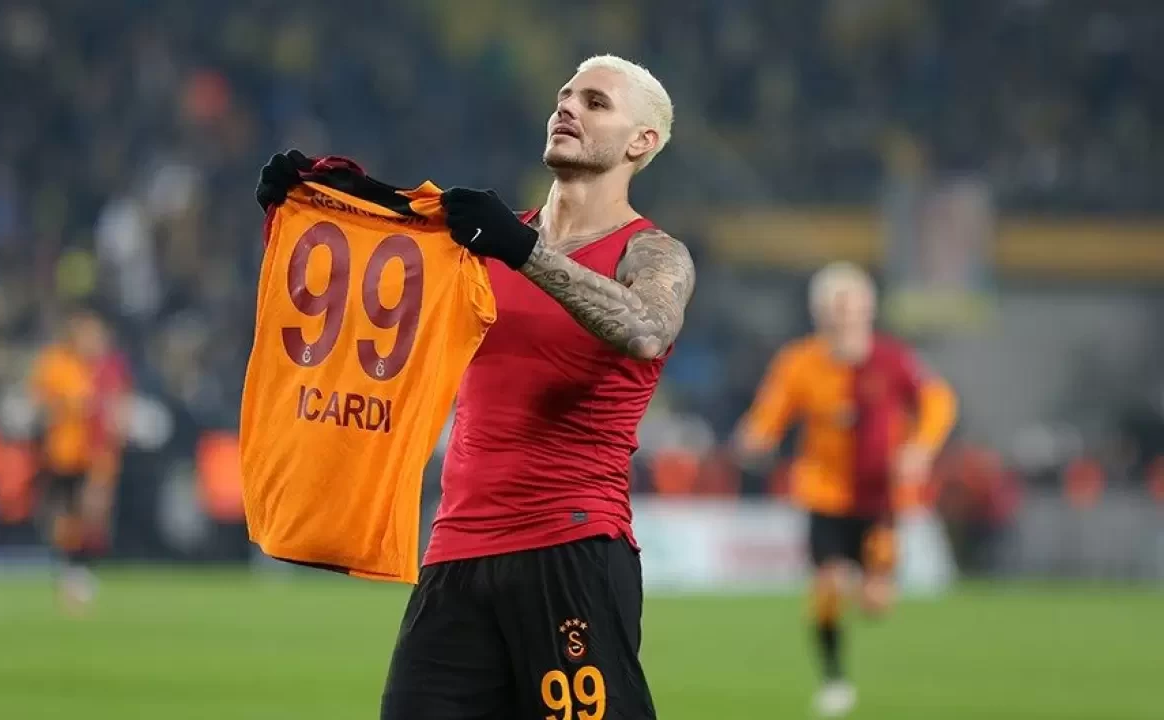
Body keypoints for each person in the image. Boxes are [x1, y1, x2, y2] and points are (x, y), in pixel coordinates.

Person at [257, 54, 692, 720]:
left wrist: (523, 249)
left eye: (595, 103)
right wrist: (325, 201)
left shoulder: (651, 252)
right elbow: (390, 269)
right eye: (565, 95)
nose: (568, 107)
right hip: (455, 553)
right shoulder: (485, 241)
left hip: (569, 545)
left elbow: (647, 330)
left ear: (642, 142)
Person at [733, 262, 957, 717]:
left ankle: (874, 581)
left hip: (882, 498)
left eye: (852, 306)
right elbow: (771, 412)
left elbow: (939, 401)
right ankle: (834, 679)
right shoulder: (800, 362)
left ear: (868, 310)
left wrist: (921, 449)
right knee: (829, 586)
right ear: (819, 313)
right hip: (824, 494)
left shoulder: (893, 360)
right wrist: (756, 437)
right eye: (835, 307)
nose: (844, 316)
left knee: (875, 603)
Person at [29, 308, 115, 613]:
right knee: (66, 514)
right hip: (60, 453)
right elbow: (42, 405)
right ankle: (69, 570)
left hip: (86, 453)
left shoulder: (93, 368)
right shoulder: (55, 364)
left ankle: (79, 570)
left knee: (87, 514)